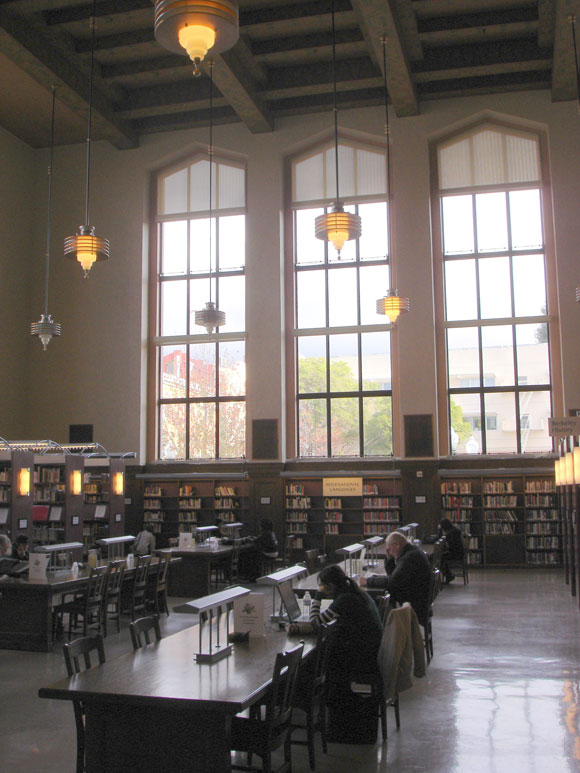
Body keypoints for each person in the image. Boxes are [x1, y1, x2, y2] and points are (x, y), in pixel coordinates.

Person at [309, 564, 383, 743]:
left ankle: (327, 714)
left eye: (325, 588)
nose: (325, 592)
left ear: (331, 587)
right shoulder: (355, 593)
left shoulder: (344, 600)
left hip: (364, 659)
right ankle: (327, 714)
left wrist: (317, 599)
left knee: (323, 664)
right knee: (329, 658)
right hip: (370, 650)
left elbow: (315, 623)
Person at [361, 531, 432, 627]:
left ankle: (382, 632)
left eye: (389, 550)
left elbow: (392, 582)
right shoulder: (412, 552)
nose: (389, 553)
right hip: (419, 600)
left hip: (416, 606)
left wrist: (368, 581)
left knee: (374, 602)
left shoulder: (409, 558)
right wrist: (389, 558)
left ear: (397, 545)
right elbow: (393, 575)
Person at [438, 517, 465, 584]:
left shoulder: (451, 533)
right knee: (441, 557)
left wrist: (439, 530)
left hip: (456, 554)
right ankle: (448, 575)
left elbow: (448, 544)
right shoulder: (454, 530)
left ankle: (448, 576)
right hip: (459, 552)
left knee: (440, 558)